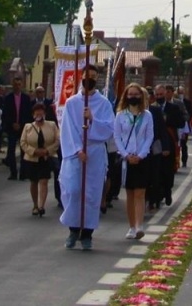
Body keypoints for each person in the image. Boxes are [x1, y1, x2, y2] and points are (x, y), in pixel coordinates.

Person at [58, 66, 115, 251]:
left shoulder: (104, 103)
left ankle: (87, 233)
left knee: (91, 194)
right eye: (86, 76)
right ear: (80, 77)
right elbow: (67, 129)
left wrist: (92, 119)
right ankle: (73, 229)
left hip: (95, 153)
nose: (88, 80)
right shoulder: (72, 103)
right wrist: (77, 150)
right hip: (76, 153)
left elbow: (109, 129)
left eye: (92, 77)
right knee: (73, 190)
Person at [113, 84, 154, 241]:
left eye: (136, 94)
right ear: (126, 96)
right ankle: (131, 226)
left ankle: (139, 226)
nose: (133, 97)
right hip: (126, 159)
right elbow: (117, 137)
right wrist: (125, 154)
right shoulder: (120, 115)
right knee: (130, 194)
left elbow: (149, 136)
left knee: (140, 193)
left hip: (142, 158)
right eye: (130, 94)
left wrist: (141, 155)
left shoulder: (147, 115)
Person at [19, 101, 58, 217]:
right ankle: (35, 205)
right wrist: (34, 151)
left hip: (46, 158)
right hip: (32, 159)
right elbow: (23, 142)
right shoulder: (28, 127)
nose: (39, 116)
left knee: (44, 180)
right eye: (37, 114)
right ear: (33, 115)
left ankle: (42, 206)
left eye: (41, 114)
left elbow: (57, 141)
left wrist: (47, 151)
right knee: (34, 181)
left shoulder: (51, 125)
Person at [1, 78, 34, 177]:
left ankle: (23, 173)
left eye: (19, 84)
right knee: (11, 150)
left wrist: (22, 124)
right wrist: (12, 124)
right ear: (13, 85)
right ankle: (13, 172)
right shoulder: (8, 98)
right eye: (15, 85)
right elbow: (5, 114)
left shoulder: (26, 98)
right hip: (12, 127)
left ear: (22, 85)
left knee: (24, 150)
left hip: (23, 127)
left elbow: (28, 114)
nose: (17, 86)